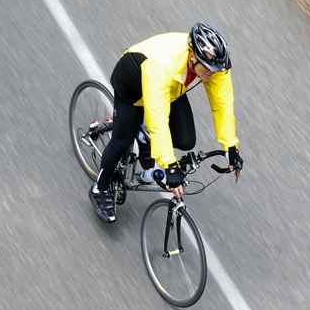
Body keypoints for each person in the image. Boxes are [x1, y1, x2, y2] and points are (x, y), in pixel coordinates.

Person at [89, 23, 244, 223]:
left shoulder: (216, 66)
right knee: (121, 140)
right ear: (192, 56)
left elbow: (222, 105)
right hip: (132, 82)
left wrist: (231, 147)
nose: (211, 74)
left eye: (215, 70)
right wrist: (169, 166)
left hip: (170, 87)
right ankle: (99, 188)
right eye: (208, 69)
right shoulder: (162, 65)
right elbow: (157, 117)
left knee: (186, 140)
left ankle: (143, 138)